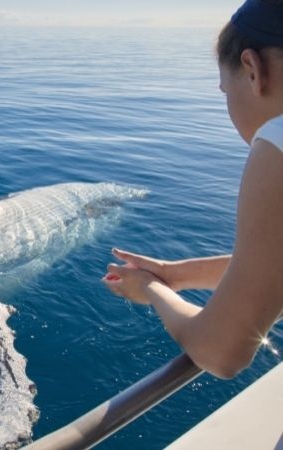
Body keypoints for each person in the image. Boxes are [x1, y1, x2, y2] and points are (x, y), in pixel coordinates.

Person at [102, 0, 283, 379]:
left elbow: (222, 351)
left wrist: (151, 289)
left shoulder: (277, 146)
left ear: (252, 69)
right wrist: (177, 274)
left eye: (224, 90)